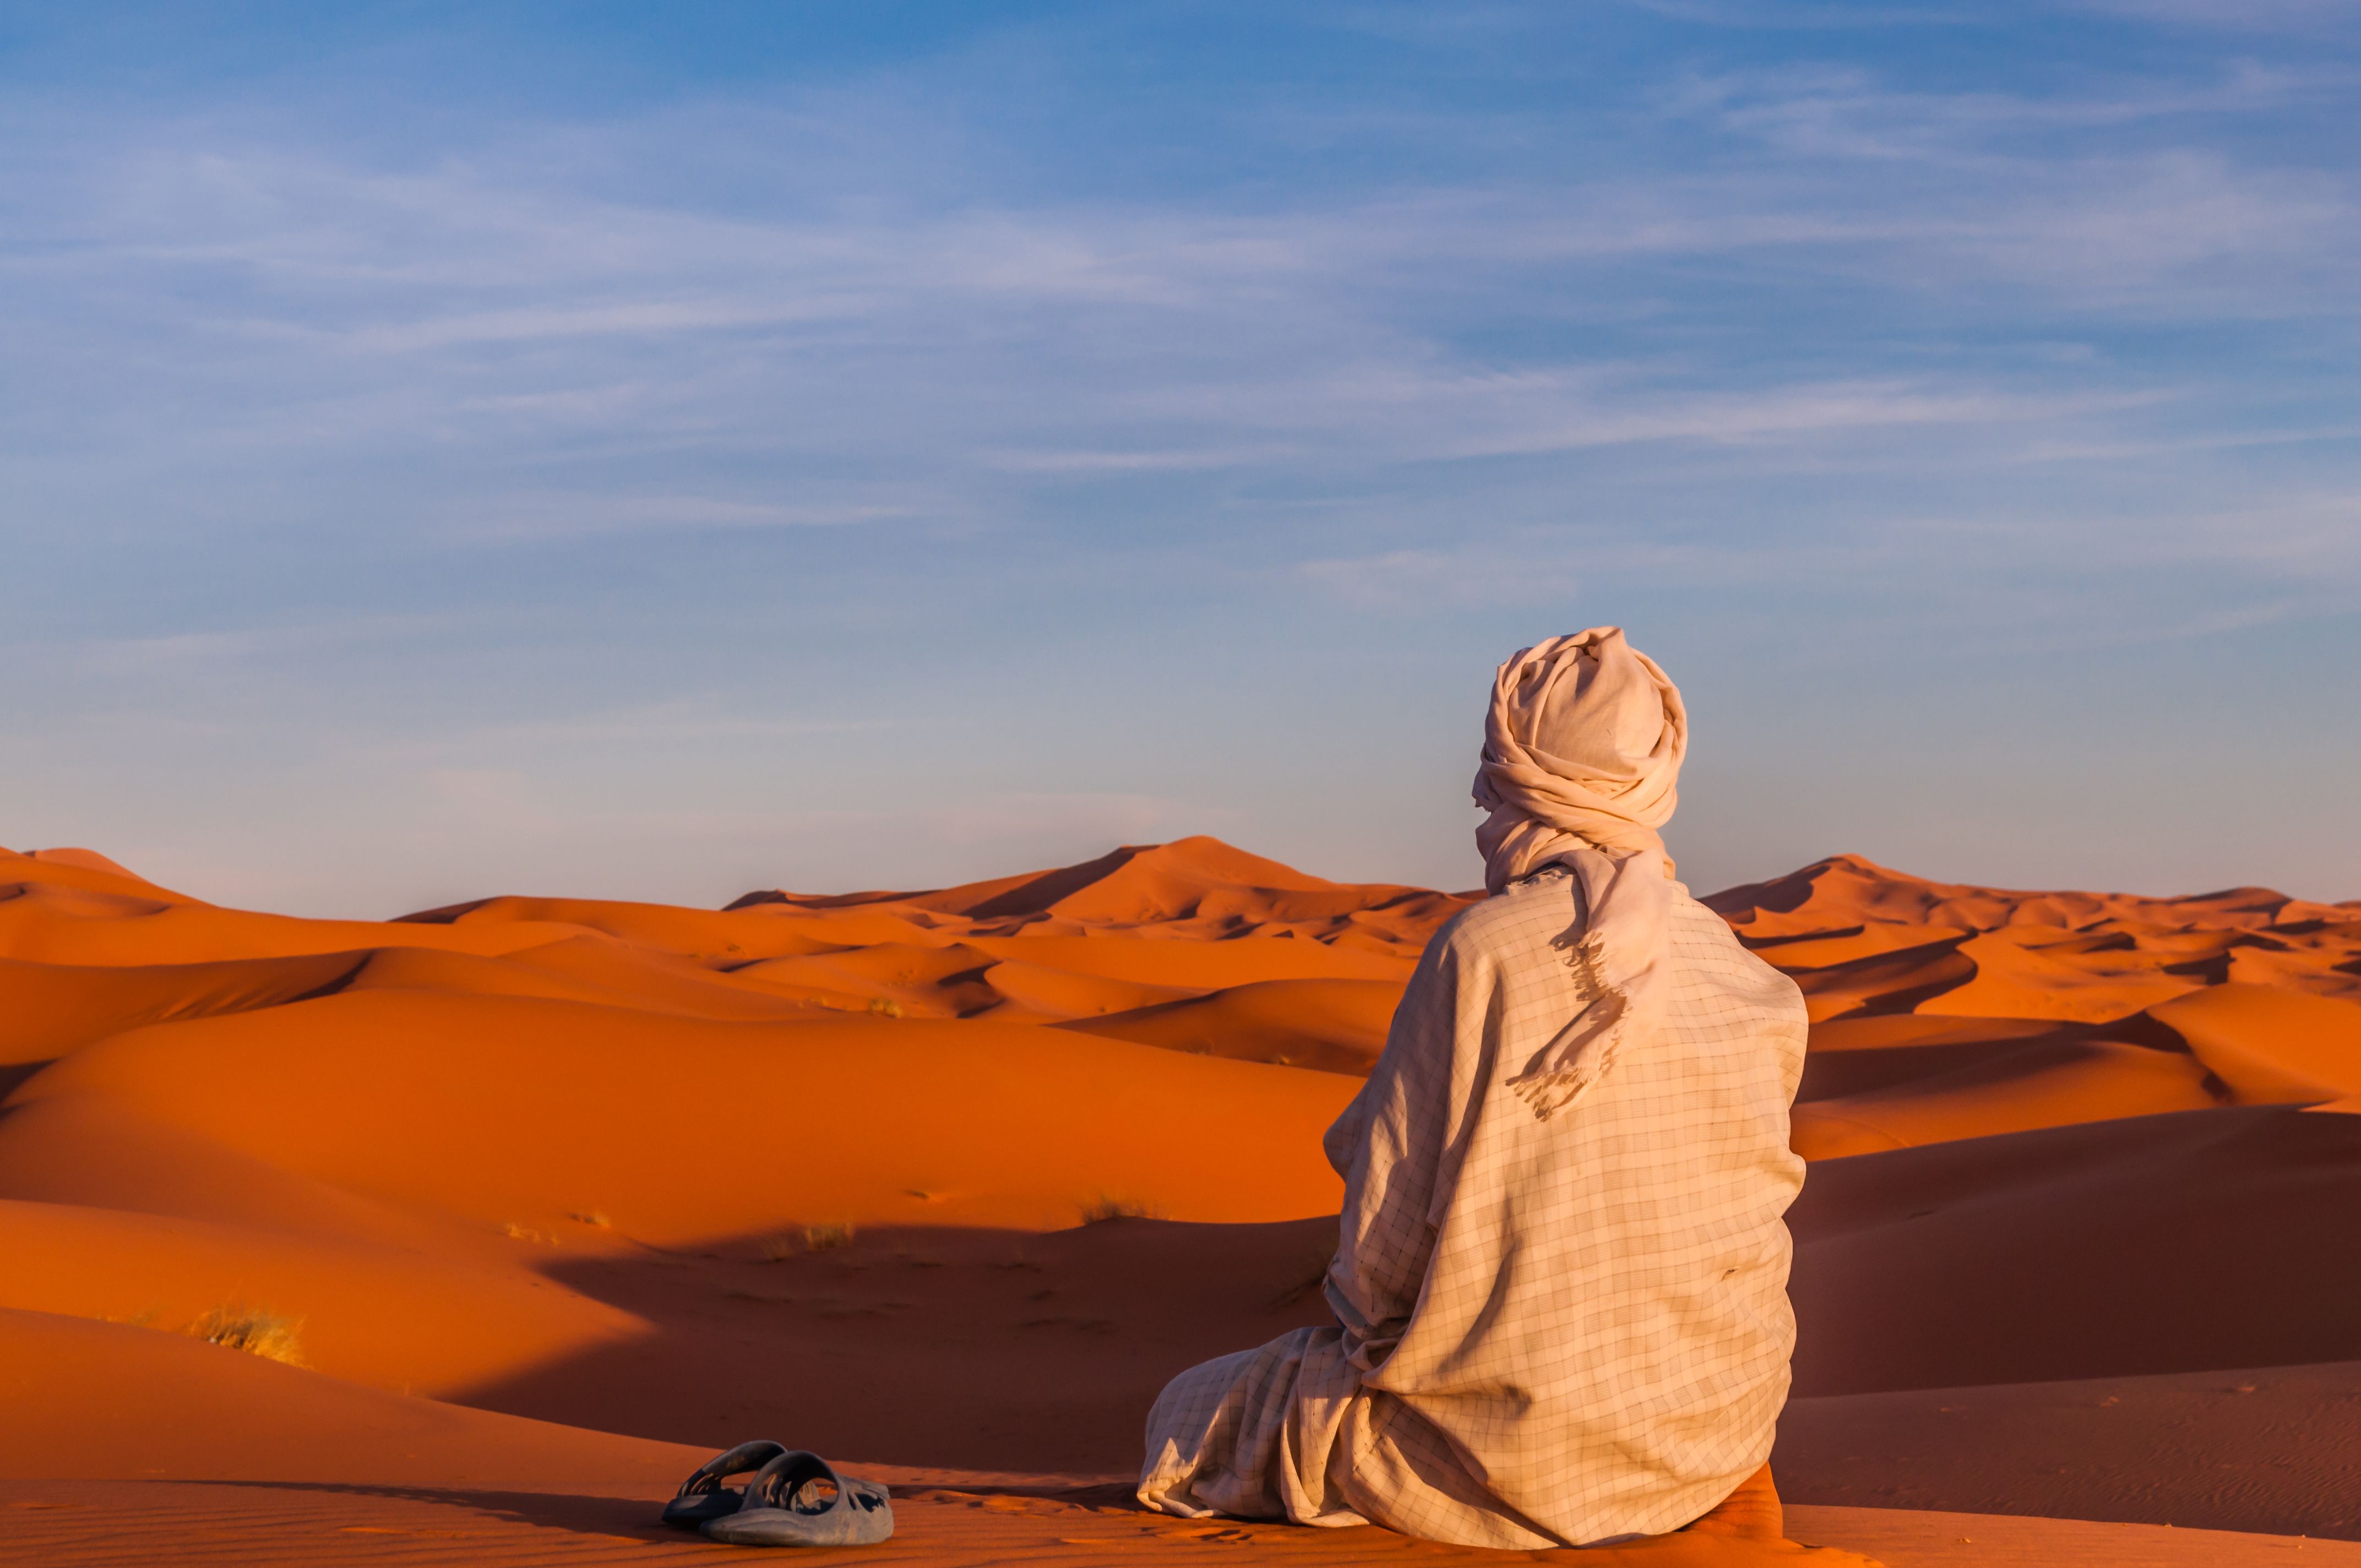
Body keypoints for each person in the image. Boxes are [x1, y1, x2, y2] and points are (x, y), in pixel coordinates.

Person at [1138, 628, 1811, 1549]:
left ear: (1513, 774)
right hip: (1715, 1434)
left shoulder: (1482, 953)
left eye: (1490, 771)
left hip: (1508, 1454)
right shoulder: (1752, 980)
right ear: (1657, 772)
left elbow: (1380, 1259)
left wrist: (1374, 1357)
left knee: (1189, 1412)